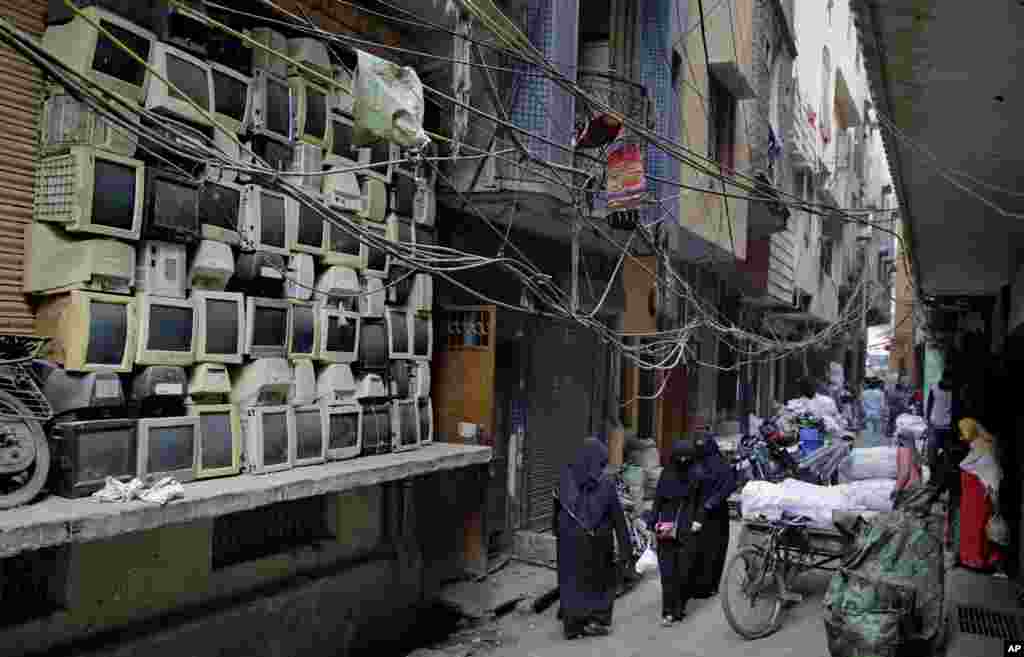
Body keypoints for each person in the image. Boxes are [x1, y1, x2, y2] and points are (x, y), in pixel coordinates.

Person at [649, 436, 737, 626]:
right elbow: (658, 499)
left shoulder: (697, 473)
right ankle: (668, 611)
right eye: (679, 457)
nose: (682, 461)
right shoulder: (668, 473)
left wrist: (699, 518)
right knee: (667, 573)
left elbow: (703, 499)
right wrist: (652, 523)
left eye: (686, 457)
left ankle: (680, 606)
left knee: (685, 569)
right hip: (667, 529)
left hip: (691, 528)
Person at [553, 437, 632, 639]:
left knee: (571, 581)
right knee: (601, 583)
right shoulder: (606, 484)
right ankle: (597, 620)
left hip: (569, 542)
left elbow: (557, 510)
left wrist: (558, 534)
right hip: (598, 543)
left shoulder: (565, 479)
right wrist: (625, 549)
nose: (603, 468)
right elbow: (618, 518)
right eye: (602, 463)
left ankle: (572, 626)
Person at [957, 418, 1003, 571]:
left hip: (979, 503)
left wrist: (996, 508)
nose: (961, 438)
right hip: (970, 502)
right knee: (970, 530)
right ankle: (970, 560)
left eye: (963, 433)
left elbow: (993, 481)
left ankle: (979, 562)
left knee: (978, 532)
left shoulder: (986, 453)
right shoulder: (976, 448)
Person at [861, 380, 886, 448]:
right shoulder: (880, 393)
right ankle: (876, 444)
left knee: (869, 429)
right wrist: (883, 413)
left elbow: (862, 404)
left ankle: (870, 444)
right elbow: (882, 405)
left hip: (868, 413)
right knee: (877, 429)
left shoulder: (864, 393)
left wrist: (864, 412)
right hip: (877, 413)